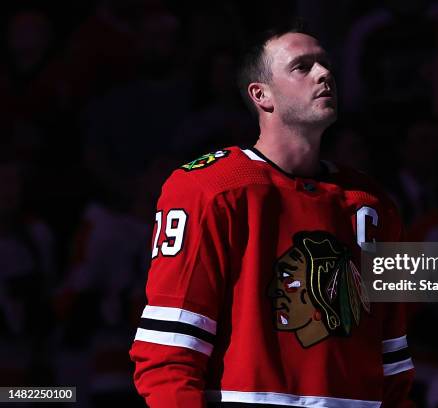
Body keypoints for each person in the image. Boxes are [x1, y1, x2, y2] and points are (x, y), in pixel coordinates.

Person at [129, 23, 414, 407]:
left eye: (326, 63)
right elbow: (168, 352)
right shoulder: (207, 189)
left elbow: (392, 359)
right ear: (261, 95)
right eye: (303, 66)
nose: (324, 73)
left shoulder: (373, 203)